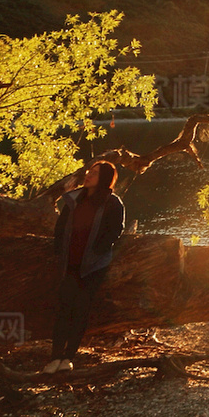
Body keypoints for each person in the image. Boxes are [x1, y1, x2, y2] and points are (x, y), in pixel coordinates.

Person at [46, 160, 125, 373]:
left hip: (93, 266)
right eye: (90, 171)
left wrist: (98, 250)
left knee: (80, 310)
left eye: (95, 173)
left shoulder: (112, 203)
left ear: (105, 178)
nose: (89, 174)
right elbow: (60, 228)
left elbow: (115, 231)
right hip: (69, 264)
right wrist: (58, 251)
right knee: (63, 309)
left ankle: (68, 358)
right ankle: (54, 358)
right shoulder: (74, 199)